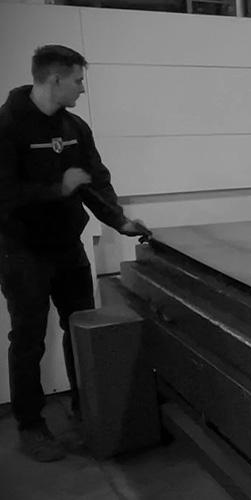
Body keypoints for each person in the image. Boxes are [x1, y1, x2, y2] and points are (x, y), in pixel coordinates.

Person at [0, 45, 149, 462]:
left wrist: (119, 220)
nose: (83, 89)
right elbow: (4, 196)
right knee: (27, 341)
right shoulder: (8, 126)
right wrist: (56, 189)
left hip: (68, 248)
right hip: (22, 252)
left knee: (81, 328)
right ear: (54, 80)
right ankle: (31, 425)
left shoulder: (75, 128)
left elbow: (95, 181)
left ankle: (90, 411)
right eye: (78, 81)